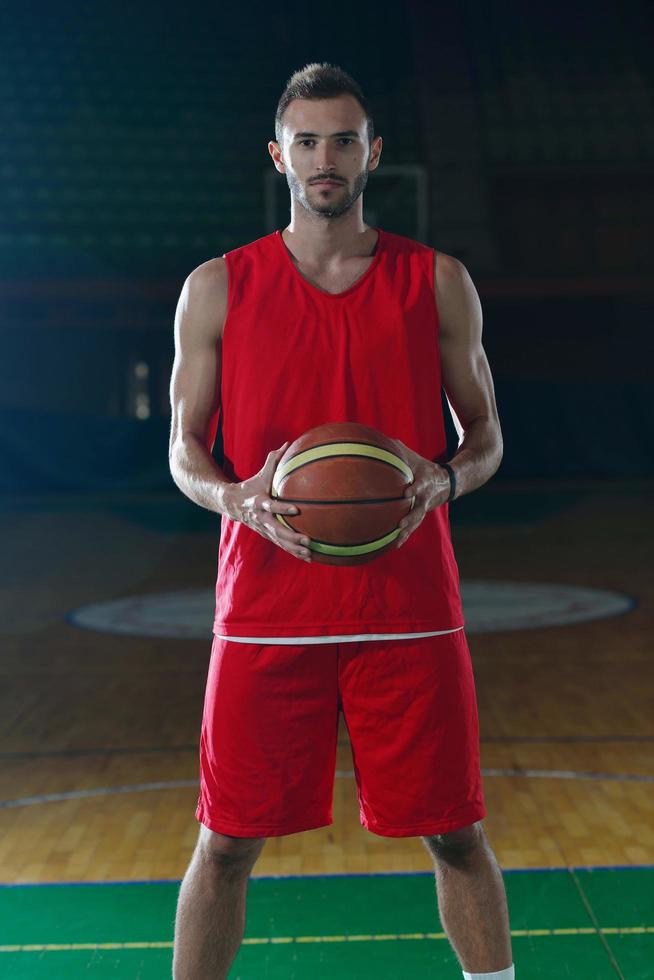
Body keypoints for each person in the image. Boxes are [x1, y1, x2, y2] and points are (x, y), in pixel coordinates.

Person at [169, 62, 513, 980]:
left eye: (346, 140)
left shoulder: (435, 280)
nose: (327, 157)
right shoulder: (218, 286)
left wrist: (443, 482)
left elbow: (485, 438)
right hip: (265, 607)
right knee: (226, 844)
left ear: (374, 154)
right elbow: (183, 450)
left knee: (456, 834)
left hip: (408, 603)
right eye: (309, 141)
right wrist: (236, 498)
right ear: (279, 155)